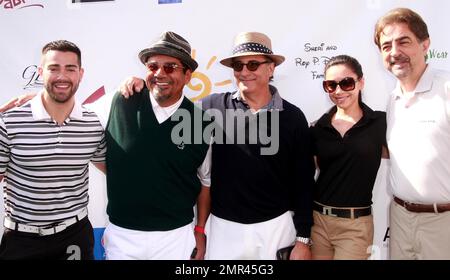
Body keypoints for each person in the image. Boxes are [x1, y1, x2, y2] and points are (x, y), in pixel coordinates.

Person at [120, 31, 315, 260]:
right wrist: (144, 86)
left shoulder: (293, 117)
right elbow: (167, 113)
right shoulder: (209, 108)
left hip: (276, 229)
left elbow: (303, 181)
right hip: (223, 230)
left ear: (271, 68)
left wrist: (303, 239)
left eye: (253, 64)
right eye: (238, 66)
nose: (244, 72)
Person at [103, 31, 212, 260]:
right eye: (153, 67)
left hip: (175, 237)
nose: (160, 73)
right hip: (123, 235)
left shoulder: (201, 123)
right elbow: (73, 111)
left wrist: (200, 230)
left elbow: (205, 182)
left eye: (170, 67)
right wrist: (39, 98)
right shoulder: (121, 100)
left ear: (187, 75)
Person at [0, 40, 106, 260]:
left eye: (70, 68)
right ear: (40, 72)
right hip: (22, 240)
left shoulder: (92, 123)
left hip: (75, 237)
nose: (62, 76)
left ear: (80, 73)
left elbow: (117, 170)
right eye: (53, 68)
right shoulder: (9, 121)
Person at [374, 7, 450, 259]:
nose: (394, 52)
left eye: (403, 42)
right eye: (386, 46)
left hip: (443, 222)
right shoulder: (392, 99)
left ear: (425, 43)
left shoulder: (447, 89)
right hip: (400, 219)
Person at [309, 55, 388, 260]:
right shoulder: (318, 127)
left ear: (360, 82)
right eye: (330, 85)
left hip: (355, 226)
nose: (338, 91)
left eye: (346, 83)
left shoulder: (380, 123)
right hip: (318, 222)